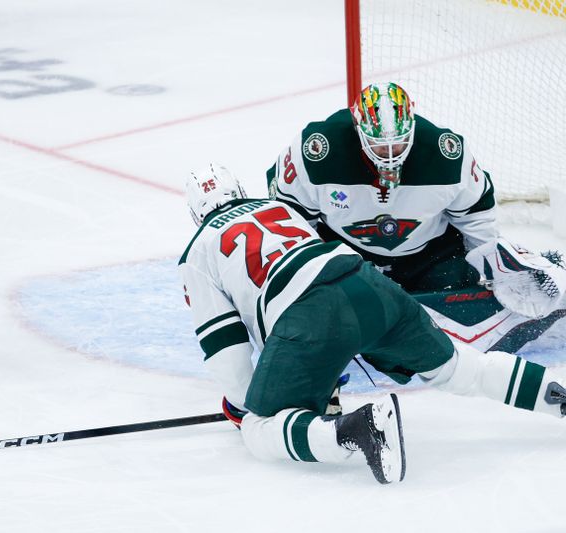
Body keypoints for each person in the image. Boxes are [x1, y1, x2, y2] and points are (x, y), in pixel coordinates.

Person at [179, 163, 566, 484]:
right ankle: (555, 395)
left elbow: (227, 352)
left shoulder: (198, 251)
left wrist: (246, 403)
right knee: (458, 367)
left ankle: (356, 430)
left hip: (307, 317)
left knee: (259, 428)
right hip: (366, 283)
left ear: (196, 213)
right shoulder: (281, 209)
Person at [266, 82, 565, 353]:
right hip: (349, 254)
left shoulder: (446, 153)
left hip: (428, 256)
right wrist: (305, 278)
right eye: (380, 145)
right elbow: (290, 220)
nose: (389, 154)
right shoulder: (316, 151)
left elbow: (476, 216)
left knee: (457, 287)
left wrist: (488, 270)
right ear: (358, 129)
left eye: (397, 143)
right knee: (325, 298)